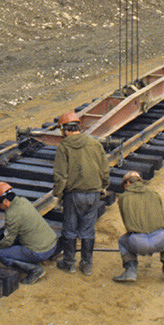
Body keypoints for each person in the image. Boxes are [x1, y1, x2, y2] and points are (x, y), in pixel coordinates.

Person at [52, 110, 109, 275]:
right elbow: (104, 169)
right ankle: (87, 265)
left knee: (70, 229)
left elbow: (61, 176)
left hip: (74, 195)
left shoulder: (64, 147)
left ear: (65, 130)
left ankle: (69, 263)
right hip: (93, 193)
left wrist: (58, 195)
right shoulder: (94, 143)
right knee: (88, 229)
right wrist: (103, 186)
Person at [113, 171, 164, 282]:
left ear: (128, 183)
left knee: (122, 240)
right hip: (160, 240)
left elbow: (128, 224)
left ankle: (130, 271)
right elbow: (161, 219)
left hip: (138, 243)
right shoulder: (154, 194)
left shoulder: (123, 198)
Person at [0, 182, 57, 284]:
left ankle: (35, 270)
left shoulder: (11, 214)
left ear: (5, 201)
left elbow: (8, 241)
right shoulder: (23, 201)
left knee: (1, 254)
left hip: (40, 252)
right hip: (53, 244)